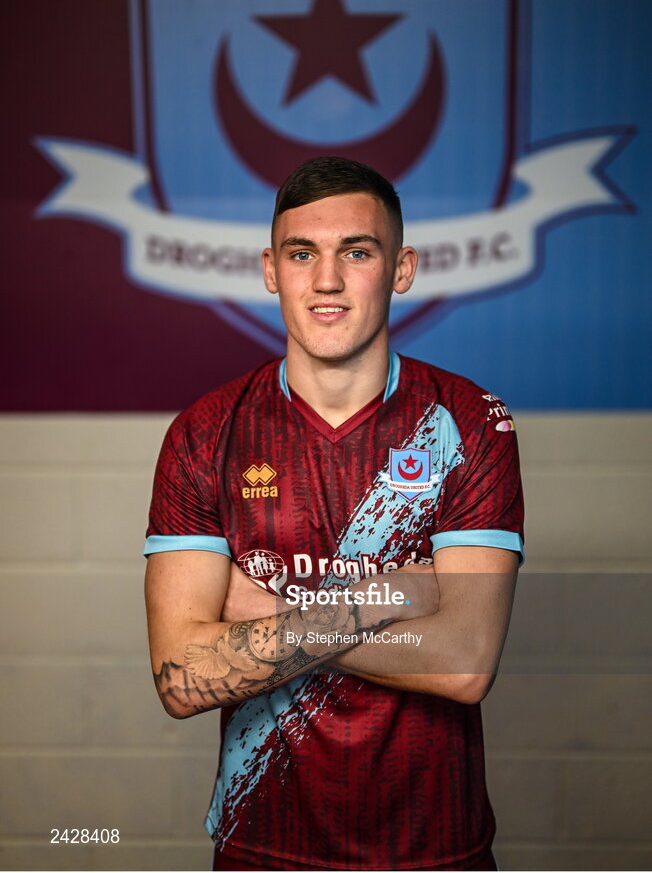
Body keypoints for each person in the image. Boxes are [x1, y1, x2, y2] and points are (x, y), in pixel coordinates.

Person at [144, 156, 524, 872]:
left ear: (401, 268)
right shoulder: (204, 432)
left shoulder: (469, 423)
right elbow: (179, 675)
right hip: (263, 849)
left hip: (434, 851)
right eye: (301, 253)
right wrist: (399, 598)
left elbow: (466, 662)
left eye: (357, 251)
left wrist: (265, 622)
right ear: (270, 269)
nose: (326, 280)